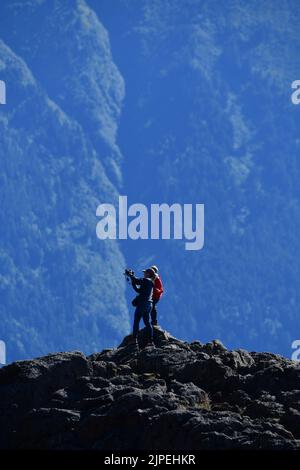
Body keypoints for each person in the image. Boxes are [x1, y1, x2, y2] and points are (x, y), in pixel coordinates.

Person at [129, 267, 156, 346]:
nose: (143, 273)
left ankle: (134, 340)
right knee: (147, 322)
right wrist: (132, 280)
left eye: (145, 272)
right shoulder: (150, 282)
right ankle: (151, 341)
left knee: (136, 320)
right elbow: (138, 290)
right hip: (149, 304)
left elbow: (137, 281)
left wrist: (131, 275)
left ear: (148, 274)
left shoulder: (146, 280)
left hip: (142, 304)